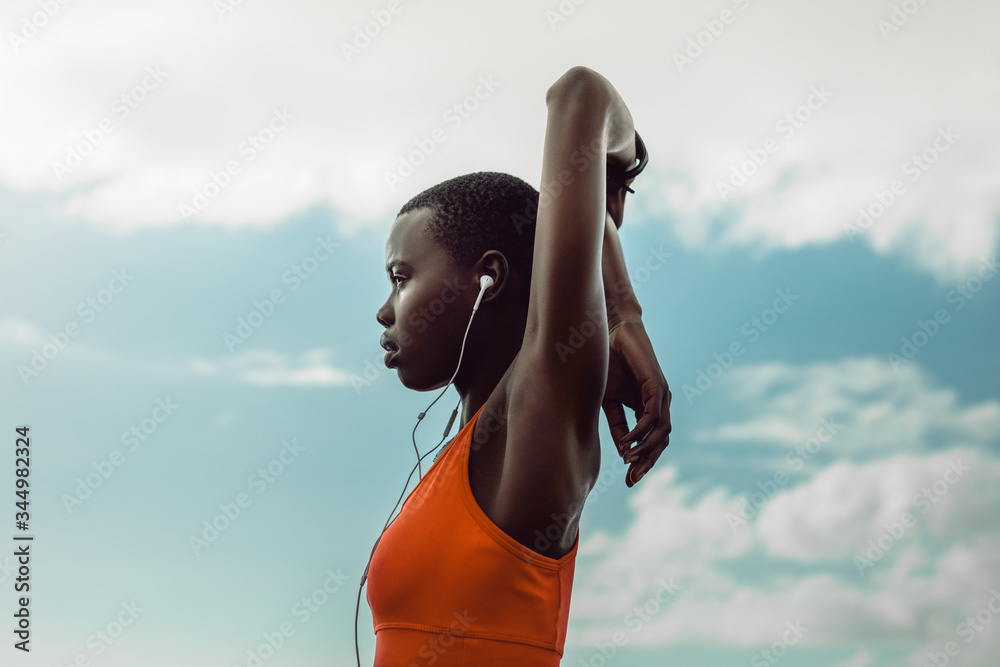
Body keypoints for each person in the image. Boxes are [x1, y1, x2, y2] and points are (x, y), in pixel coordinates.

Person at [364, 66, 673, 665]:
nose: (384, 311)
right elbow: (568, 214)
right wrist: (606, 248)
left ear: (490, 278)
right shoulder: (465, 455)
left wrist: (622, 312)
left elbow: (579, 92)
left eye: (402, 279)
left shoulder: (534, 418)